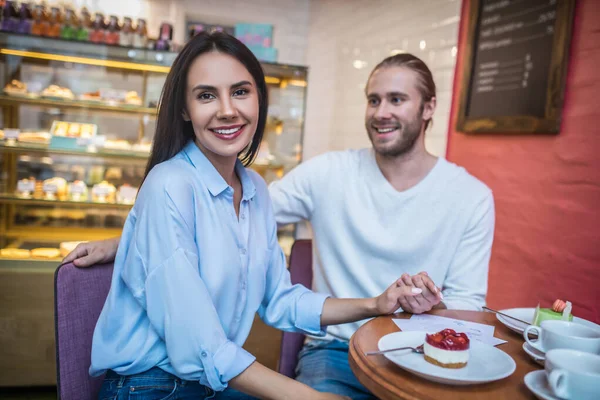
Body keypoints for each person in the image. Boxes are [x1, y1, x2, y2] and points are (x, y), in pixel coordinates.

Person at [65, 53, 494, 399]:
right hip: (154, 385)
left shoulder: (253, 189)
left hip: (210, 381)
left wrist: (376, 304)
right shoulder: (169, 184)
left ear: (258, 101)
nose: (227, 109)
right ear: (184, 108)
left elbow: (280, 301)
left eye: (240, 92)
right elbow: (201, 345)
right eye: (206, 96)